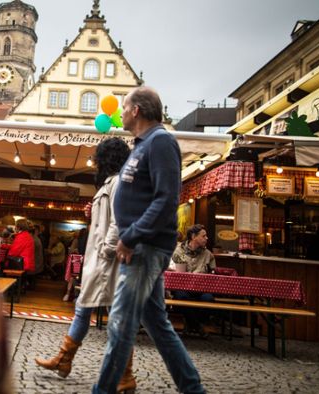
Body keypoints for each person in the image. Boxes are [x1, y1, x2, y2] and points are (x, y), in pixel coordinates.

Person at [92, 87, 205, 393]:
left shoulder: (161, 142)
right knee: (156, 323)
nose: (121, 112)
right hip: (141, 245)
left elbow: (167, 199)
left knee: (120, 325)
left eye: (124, 107)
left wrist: (131, 236)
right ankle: (193, 388)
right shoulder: (142, 145)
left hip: (145, 247)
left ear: (137, 110)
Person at [36, 137, 136, 392]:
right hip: (101, 260)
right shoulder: (112, 183)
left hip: (107, 262)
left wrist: (105, 251)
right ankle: (67, 360)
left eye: (98, 158)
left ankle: (118, 374)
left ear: (106, 159)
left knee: (110, 315)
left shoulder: (116, 183)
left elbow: (118, 221)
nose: (94, 162)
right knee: (95, 311)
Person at [171, 224, 216, 337]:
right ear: (193, 236)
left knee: (209, 299)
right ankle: (197, 326)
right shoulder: (179, 252)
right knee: (181, 297)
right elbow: (180, 276)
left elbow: (212, 273)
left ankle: (191, 324)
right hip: (183, 288)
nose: (206, 238)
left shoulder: (208, 254)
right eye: (203, 236)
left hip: (201, 288)